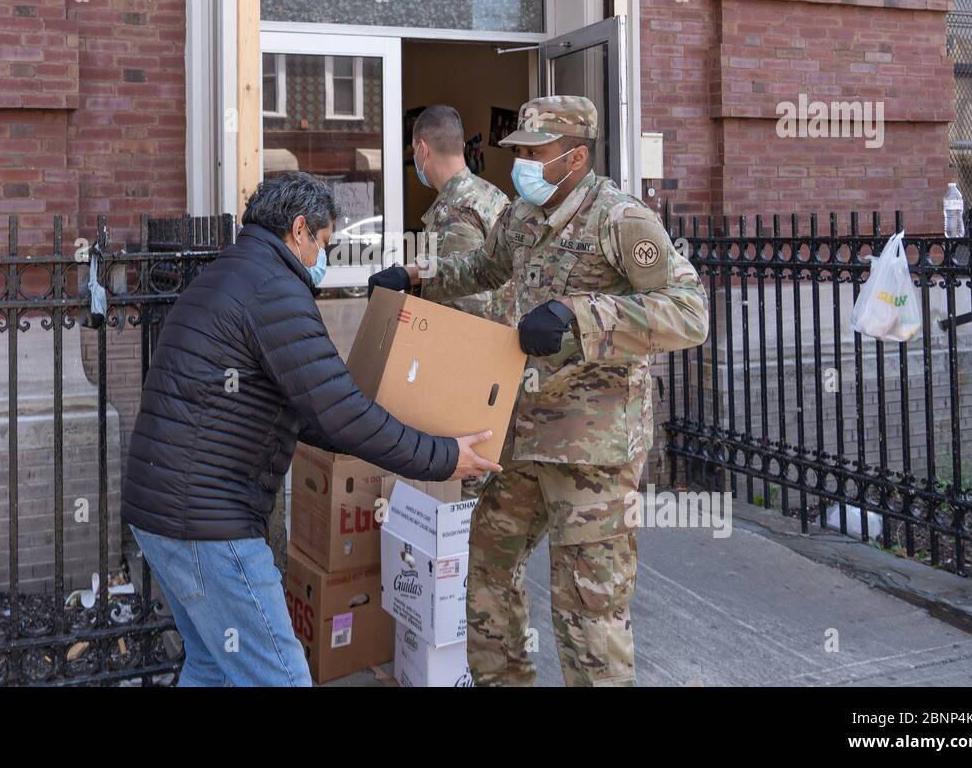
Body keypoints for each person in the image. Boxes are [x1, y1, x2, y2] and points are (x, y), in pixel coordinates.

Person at [370, 95, 709, 686]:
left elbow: (688, 311)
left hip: (592, 452)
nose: (521, 162)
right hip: (521, 435)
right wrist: (417, 278)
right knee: (487, 577)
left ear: (574, 157)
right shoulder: (523, 216)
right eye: (518, 150)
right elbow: (482, 270)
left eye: (534, 151)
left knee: (586, 614)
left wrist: (582, 318)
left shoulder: (620, 219)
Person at [123, 171, 499, 687]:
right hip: (205, 524)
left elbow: (309, 412)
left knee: (212, 667)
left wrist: (392, 430)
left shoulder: (232, 273)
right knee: (282, 676)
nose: (325, 256)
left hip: (161, 511)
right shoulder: (274, 290)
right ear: (299, 230)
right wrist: (442, 456)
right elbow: (338, 412)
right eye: (324, 242)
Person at [411, 104, 514, 499]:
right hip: (498, 370)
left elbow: (466, 306)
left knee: (470, 499)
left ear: (423, 149)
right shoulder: (492, 195)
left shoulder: (454, 211)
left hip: (471, 379)